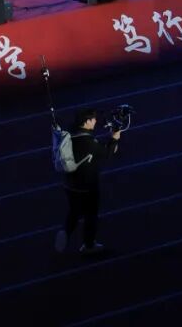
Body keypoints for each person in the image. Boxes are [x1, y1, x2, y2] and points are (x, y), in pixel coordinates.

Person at [56, 108, 122, 255]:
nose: (95, 121)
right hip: (87, 187)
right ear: (86, 122)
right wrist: (115, 138)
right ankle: (88, 245)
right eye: (93, 119)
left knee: (74, 211)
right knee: (91, 215)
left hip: (69, 185)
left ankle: (66, 231)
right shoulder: (90, 142)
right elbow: (107, 153)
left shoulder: (71, 135)